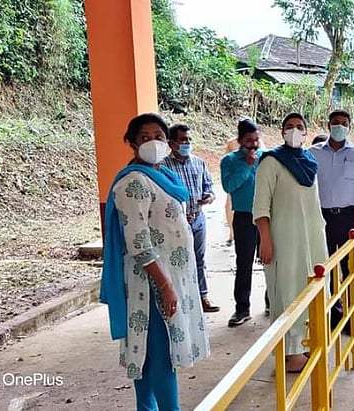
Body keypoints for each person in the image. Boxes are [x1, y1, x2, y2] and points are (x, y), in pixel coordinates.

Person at [100, 113, 210, 410]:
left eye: (158, 137)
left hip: (170, 277)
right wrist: (165, 286)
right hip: (150, 283)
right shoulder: (133, 182)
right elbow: (138, 242)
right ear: (132, 143)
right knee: (161, 353)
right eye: (144, 138)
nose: (153, 143)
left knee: (148, 352)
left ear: (168, 141)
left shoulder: (165, 177)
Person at [253, 112, 328, 372]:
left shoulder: (309, 161)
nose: (294, 130)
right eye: (289, 126)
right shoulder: (271, 162)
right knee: (286, 292)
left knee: (308, 288)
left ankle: (303, 343)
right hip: (283, 239)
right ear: (281, 131)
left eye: (299, 127)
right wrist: (265, 240)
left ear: (306, 133)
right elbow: (260, 207)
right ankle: (290, 352)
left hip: (311, 237)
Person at [309, 109, 354, 334]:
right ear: (328, 125)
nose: (339, 126)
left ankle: (350, 315)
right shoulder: (313, 153)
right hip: (322, 218)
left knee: (349, 270)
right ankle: (333, 315)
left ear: (349, 126)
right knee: (325, 268)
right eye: (336, 122)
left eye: (344, 123)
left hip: (350, 217)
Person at [163, 124, 220, 313]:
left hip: (198, 219)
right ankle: (180, 298)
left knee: (199, 259)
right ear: (171, 143)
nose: (187, 143)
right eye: (183, 140)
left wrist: (209, 196)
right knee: (177, 259)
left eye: (189, 139)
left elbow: (208, 186)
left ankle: (202, 296)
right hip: (175, 222)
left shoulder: (199, 163)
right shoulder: (163, 167)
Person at [220, 119, 268, 327]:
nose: (253, 144)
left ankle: (272, 301)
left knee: (270, 261)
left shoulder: (266, 158)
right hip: (244, 217)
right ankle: (242, 308)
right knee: (244, 263)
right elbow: (228, 186)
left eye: (256, 139)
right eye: (249, 140)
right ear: (239, 140)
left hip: (267, 215)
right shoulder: (229, 161)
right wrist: (247, 167)